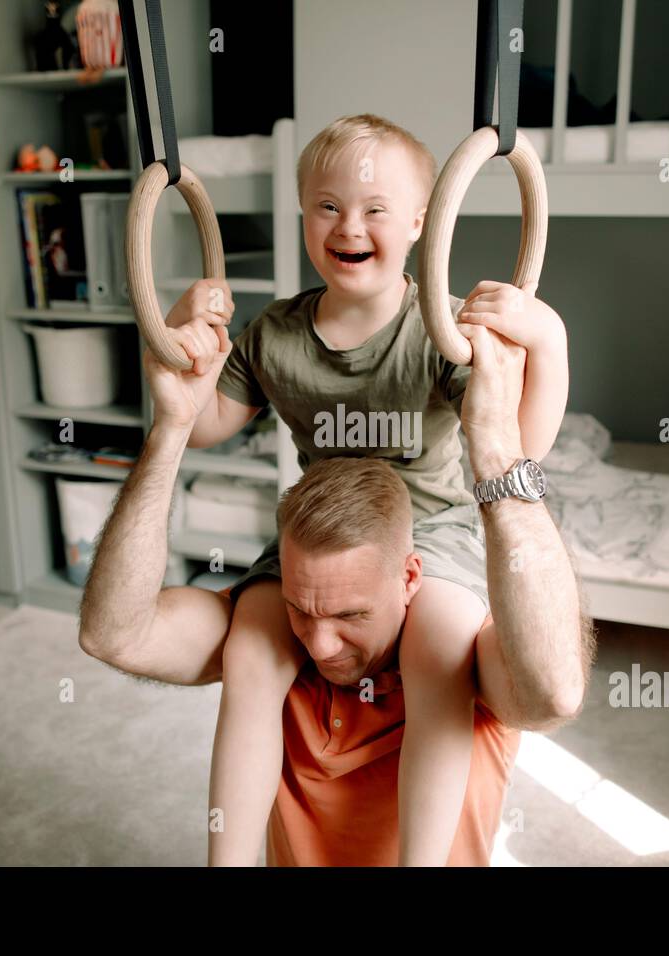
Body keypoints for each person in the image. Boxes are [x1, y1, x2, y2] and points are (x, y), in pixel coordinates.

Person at [156, 114, 571, 865]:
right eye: (328, 205)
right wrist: (191, 355)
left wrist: (549, 340)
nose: (350, 224)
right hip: (322, 533)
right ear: (305, 215)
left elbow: (522, 444)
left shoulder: (437, 332)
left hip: (431, 525)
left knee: (439, 650)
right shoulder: (276, 334)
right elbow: (211, 422)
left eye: (376, 209)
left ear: (419, 224)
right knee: (251, 653)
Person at [78, 291, 594, 866]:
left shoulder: (466, 652)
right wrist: (170, 426)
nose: (319, 645)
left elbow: (555, 692)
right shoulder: (270, 629)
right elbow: (112, 633)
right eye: (303, 608)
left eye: (350, 615)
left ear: (409, 579)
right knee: (254, 643)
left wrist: (506, 430)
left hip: (445, 523)